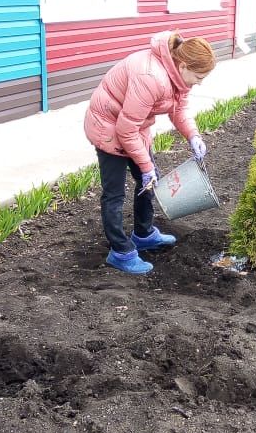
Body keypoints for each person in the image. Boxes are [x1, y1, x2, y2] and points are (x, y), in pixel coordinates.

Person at [84, 33, 216, 275]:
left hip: (134, 127)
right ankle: (120, 252)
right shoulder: (151, 77)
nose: (199, 83)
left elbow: (180, 109)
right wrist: (145, 167)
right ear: (183, 65)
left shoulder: (179, 77)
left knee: (150, 179)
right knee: (114, 193)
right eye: (198, 77)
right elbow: (125, 130)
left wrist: (193, 135)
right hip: (108, 127)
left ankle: (143, 233)